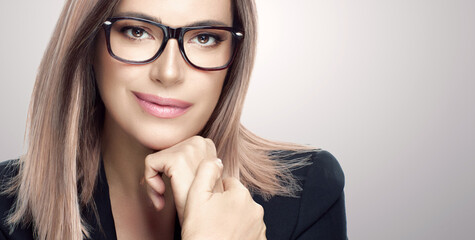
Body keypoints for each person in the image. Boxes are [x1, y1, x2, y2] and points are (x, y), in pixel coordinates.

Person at [0, 0, 346, 239]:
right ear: (88, 42)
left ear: (234, 56)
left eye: (205, 38)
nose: (168, 73)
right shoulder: (6, 208)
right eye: (137, 31)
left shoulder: (306, 190)